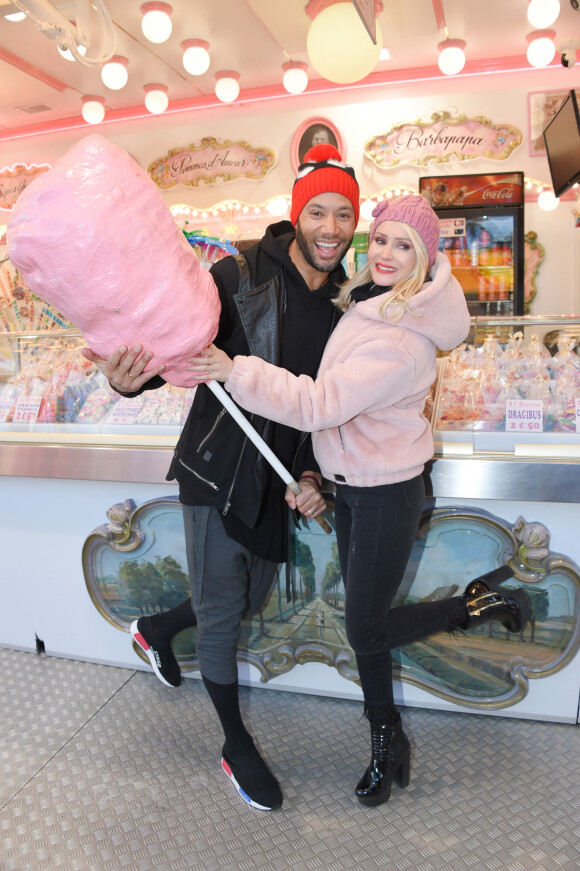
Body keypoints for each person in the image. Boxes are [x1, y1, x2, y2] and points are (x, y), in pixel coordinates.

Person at [187, 194, 532, 808]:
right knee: (366, 629)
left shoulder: (400, 336)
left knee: (364, 628)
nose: (387, 254)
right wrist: (318, 473)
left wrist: (234, 368)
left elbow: (321, 403)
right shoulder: (372, 302)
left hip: (383, 494)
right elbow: (337, 413)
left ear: (425, 258)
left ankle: (462, 620)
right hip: (355, 486)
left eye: (405, 246)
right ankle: (389, 736)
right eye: (382, 240)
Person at [81, 143, 360, 812]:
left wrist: (315, 472)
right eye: (317, 211)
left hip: (278, 481)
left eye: (343, 214)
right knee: (220, 620)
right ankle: (235, 743)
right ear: (297, 215)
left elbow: (324, 407)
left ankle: (154, 626)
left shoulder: (350, 309)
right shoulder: (236, 275)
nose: (330, 227)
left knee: (244, 595)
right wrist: (126, 380)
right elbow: (172, 346)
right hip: (216, 467)